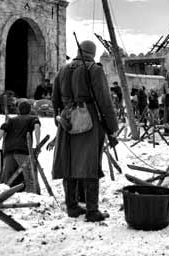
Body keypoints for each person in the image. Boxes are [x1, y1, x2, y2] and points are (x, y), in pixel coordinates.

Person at [51, 40, 118, 222]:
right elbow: (104, 101)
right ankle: (92, 211)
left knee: (69, 164)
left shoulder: (63, 70)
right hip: (89, 120)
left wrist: (61, 120)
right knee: (90, 164)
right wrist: (112, 127)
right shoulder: (94, 69)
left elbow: (55, 100)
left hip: (67, 121)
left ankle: (72, 207)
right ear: (92, 53)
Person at [0, 101, 41, 193]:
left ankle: (4, 194)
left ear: (19, 110)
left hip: (8, 150)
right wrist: (38, 143)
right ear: (30, 110)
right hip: (23, 150)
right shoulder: (32, 118)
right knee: (29, 176)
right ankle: (32, 194)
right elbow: (37, 126)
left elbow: (2, 130)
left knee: (6, 179)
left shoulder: (11, 120)